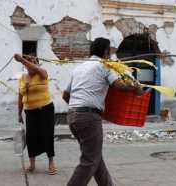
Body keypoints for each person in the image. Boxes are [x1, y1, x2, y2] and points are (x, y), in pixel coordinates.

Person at [62, 38, 141, 186]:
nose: (110, 56)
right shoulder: (104, 66)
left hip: (72, 115)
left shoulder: (79, 68)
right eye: (109, 52)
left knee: (95, 157)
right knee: (90, 160)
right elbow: (120, 86)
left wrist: (78, 107)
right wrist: (135, 86)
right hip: (88, 117)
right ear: (105, 52)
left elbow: (65, 95)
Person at [15, 53, 57, 175]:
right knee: (31, 137)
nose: (29, 65)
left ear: (37, 63)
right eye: (28, 63)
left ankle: (51, 163)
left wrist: (23, 60)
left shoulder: (42, 72)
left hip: (45, 109)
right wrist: (19, 113)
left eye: (33, 62)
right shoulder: (22, 78)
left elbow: (40, 71)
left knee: (47, 134)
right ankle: (32, 164)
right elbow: (20, 96)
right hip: (30, 111)